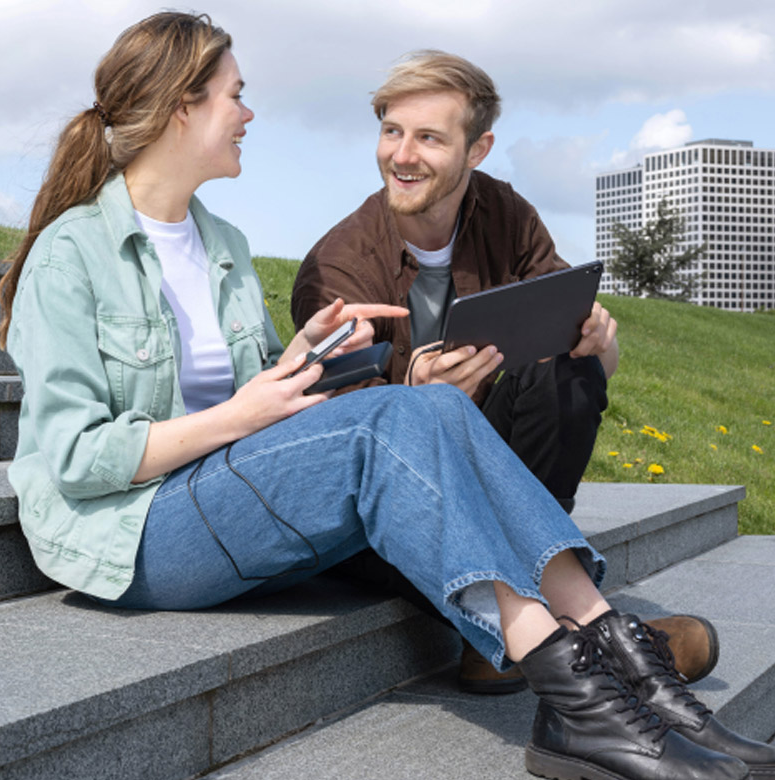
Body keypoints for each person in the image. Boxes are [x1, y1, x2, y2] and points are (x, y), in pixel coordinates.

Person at [0, 12, 775, 780]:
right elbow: (77, 458)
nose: (248, 113)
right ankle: (580, 689)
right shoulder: (71, 255)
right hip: (135, 537)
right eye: (234, 95)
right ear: (182, 109)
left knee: (430, 405)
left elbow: (252, 406)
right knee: (398, 413)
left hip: (222, 495)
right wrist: (250, 411)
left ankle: (616, 657)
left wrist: (300, 363)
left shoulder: (221, 246)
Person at [289, 50, 712, 698]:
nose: (401, 155)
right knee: (421, 432)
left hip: (499, 472)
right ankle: (597, 637)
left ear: (477, 148)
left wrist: (600, 343)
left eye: (428, 137)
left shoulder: (504, 213)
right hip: (392, 510)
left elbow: (586, 359)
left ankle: (510, 638)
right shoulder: (338, 267)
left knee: (565, 369)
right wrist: (413, 398)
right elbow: (341, 440)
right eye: (391, 131)